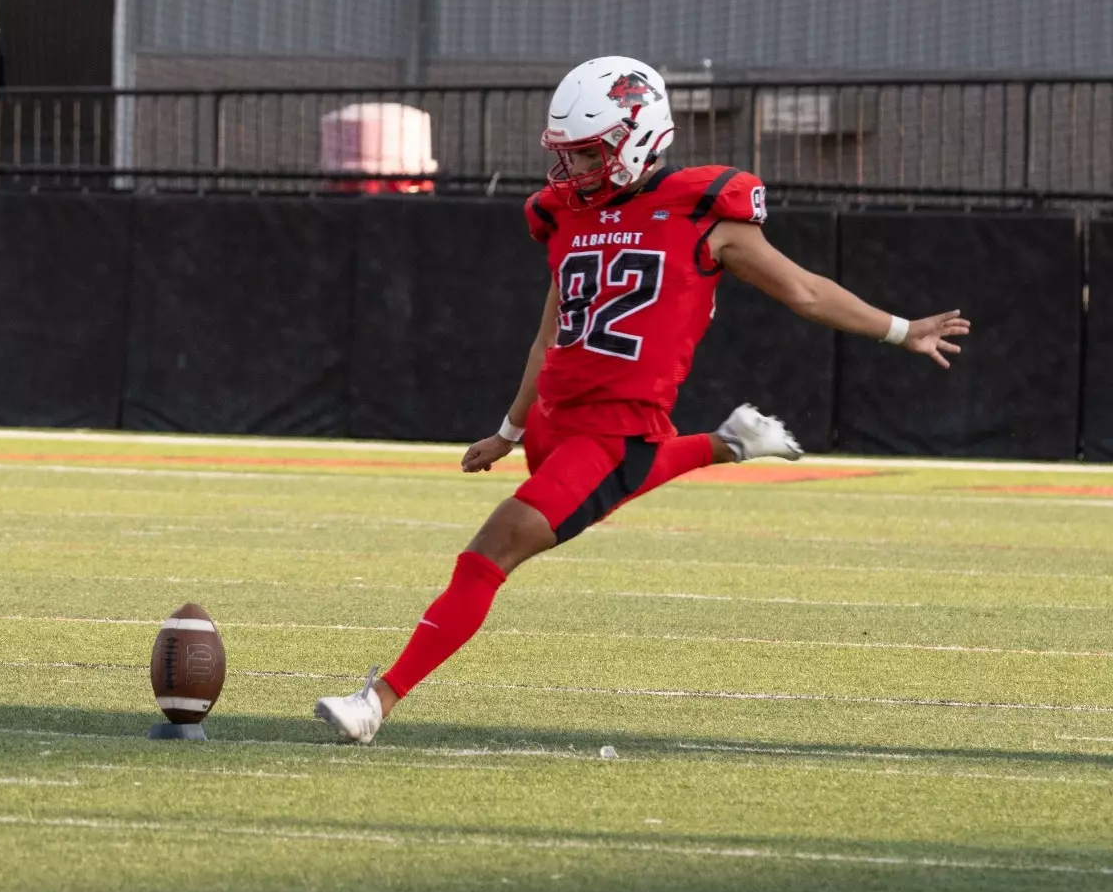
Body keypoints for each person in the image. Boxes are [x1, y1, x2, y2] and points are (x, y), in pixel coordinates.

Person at [316, 56, 972, 744]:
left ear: (639, 136)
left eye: (588, 154)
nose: (573, 171)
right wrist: (510, 431)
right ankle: (730, 442)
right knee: (603, 484)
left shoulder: (702, 212)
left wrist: (901, 330)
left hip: (616, 430)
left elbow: (803, 289)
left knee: (491, 550)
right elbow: (548, 339)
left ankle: (378, 701)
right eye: (567, 156)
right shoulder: (566, 215)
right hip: (554, 421)